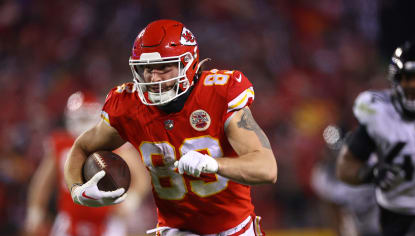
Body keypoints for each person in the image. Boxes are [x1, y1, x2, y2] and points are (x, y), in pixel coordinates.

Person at [64, 19, 277, 236]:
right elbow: (82, 147)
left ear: (188, 64)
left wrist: (214, 164)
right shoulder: (128, 106)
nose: (153, 78)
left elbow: (267, 168)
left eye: (164, 68)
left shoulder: (220, 93)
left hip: (235, 230)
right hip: (176, 230)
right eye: (146, 69)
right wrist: (77, 190)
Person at [24, 91, 150, 236]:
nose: (81, 126)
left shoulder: (114, 143)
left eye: (86, 119)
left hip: (107, 221)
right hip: (69, 220)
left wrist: (132, 199)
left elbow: (141, 177)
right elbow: (42, 182)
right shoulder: (62, 144)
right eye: (78, 119)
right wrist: (35, 210)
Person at [336, 41, 415, 236]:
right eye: (408, 78)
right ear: (395, 79)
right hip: (392, 213)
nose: (414, 87)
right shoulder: (380, 112)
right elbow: (345, 167)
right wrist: (371, 173)